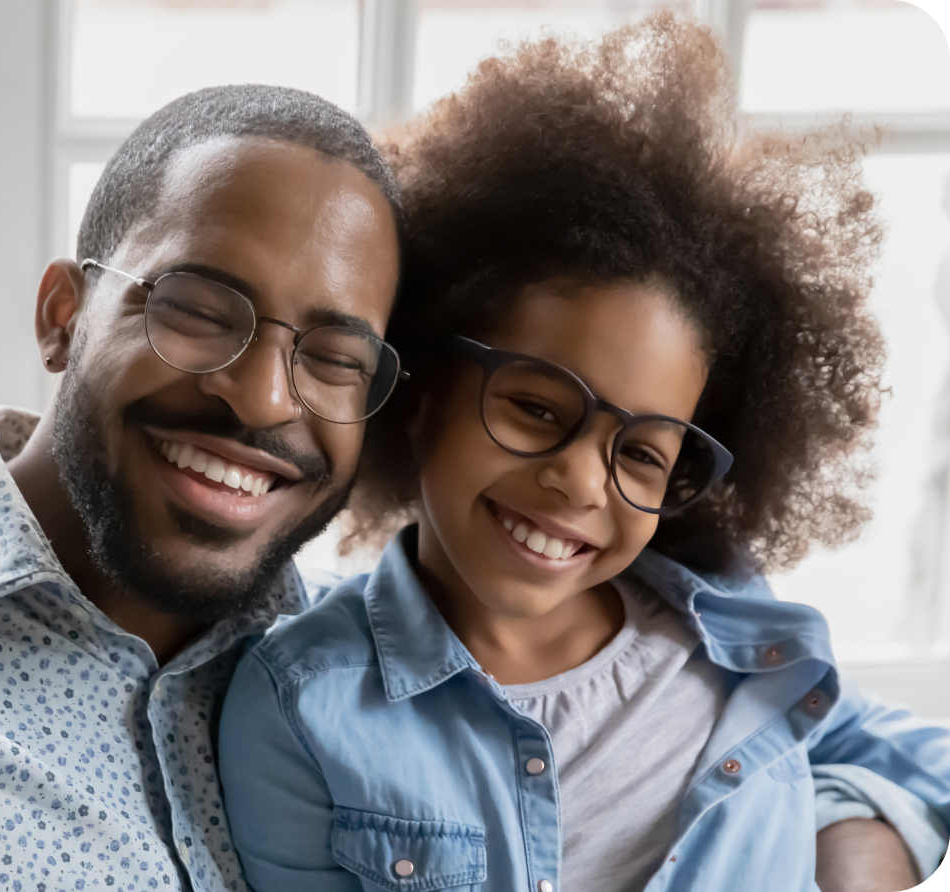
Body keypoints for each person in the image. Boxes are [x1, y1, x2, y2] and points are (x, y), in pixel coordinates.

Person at [218, 13, 950, 892]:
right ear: (419, 390)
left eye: (642, 455)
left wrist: (857, 836)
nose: (577, 479)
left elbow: (920, 766)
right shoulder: (303, 705)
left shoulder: (727, 629)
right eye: (535, 407)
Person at [0, 84, 403, 892]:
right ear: (62, 316)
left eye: (335, 359)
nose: (261, 398)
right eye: (197, 310)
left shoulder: (373, 682)